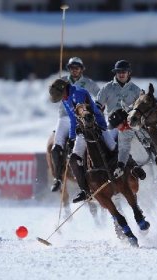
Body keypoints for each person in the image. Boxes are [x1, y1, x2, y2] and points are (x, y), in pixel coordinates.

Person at [49, 78, 116, 203]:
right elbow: (73, 119)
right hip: (82, 131)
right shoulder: (65, 99)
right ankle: (85, 191)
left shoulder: (78, 93)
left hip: (97, 126)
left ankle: (132, 169)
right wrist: (72, 137)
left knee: (113, 148)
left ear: (64, 89)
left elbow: (83, 113)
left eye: (59, 95)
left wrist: (82, 128)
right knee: (74, 159)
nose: (60, 98)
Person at [50, 57, 100, 192]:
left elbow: (100, 95)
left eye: (77, 67)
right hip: (65, 117)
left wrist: (97, 107)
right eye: (72, 68)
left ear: (82, 69)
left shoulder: (88, 83)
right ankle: (58, 178)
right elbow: (52, 95)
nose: (74, 70)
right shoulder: (63, 81)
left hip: (82, 118)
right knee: (56, 147)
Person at [96, 60, 146, 180]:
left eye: (124, 72)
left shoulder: (136, 89)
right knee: (107, 146)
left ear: (129, 73)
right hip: (113, 125)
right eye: (119, 72)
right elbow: (97, 106)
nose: (121, 74)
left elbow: (143, 109)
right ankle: (128, 167)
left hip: (132, 124)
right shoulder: (107, 88)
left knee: (149, 139)